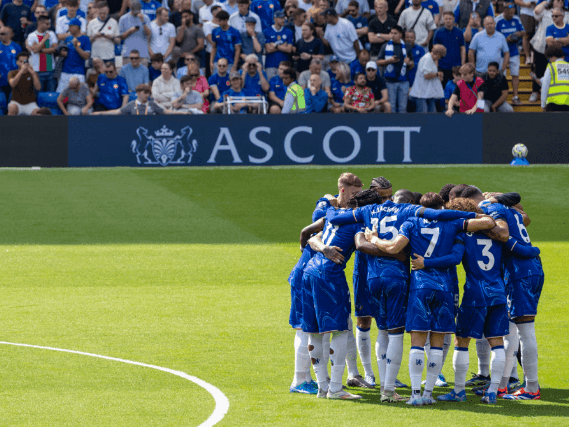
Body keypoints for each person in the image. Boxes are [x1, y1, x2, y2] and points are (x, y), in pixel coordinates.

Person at [365, 192, 495, 406]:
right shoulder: (452, 222)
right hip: (444, 288)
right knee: (436, 343)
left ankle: (415, 395)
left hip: (420, 287)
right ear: (441, 207)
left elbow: (393, 248)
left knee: (417, 343)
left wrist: (374, 239)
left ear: (420, 206)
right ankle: (428, 394)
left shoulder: (411, 222)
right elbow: (485, 224)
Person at [427, 198, 509, 404]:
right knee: (496, 342)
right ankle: (492, 392)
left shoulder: (462, 233)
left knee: (461, 341)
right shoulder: (495, 233)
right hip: (498, 291)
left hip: (475, 293)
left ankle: (458, 390)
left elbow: (453, 257)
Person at [302, 172, 365, 400]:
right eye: (356, 193)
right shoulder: (358, 219)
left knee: (315, 332)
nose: (358, 197)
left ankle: (322, 387)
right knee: (340, 330)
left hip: (310, 271)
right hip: (330, 274)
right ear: (343, 190)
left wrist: (322, 247)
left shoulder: (332, 213)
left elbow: (310, 237)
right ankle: (335, 388)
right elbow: (361, 243)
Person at [529, 0, 569, 103]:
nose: (560, 1)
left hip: (561, 49)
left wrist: (556, 41)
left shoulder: (567, 13)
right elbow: (537, 11)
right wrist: (546, 1)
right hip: (542, 45)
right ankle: (535, 91)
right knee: (539, 69)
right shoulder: (546, 11)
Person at [377, 25, 414, 113]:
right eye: (391, 33)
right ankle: (392, 126)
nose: (392, 35)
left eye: (395, 33)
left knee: (403, 107)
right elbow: (378, 62)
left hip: (404, 81)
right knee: (391, 106)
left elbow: (412, 65)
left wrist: (409, 63)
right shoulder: (385, 45)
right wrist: (389, 61)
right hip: (390, 81)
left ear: (401, 34)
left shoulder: (407, 46)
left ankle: (403, 126)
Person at [495, 2, 524, 105]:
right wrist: (506, 40)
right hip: (501, 53)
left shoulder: (516, 19)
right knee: (502, 75)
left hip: (514, 51)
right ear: (504, 10)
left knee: (515, 74)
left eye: (513, 13)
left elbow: (523, 32)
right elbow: (493, 38)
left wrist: (518, 34)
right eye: (510, 13)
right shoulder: (497, 20)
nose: (511, 15)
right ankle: (501, 97)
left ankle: (515, 97)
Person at [56, 18, 91, 92]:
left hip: (78, 72)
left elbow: (86, 56)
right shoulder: (68, 38)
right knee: (61, 95)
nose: (68, 29)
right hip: (65, 71)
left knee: (79, 95)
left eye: (70, 26)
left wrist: (76, 47)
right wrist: (62, 53)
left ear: (77, 27)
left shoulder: (85, 39)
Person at [409, 44, 446, 112]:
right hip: (421, 93)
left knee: (432, 112)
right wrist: (437, 74)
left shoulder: (432, 59)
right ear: (438, 54)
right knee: (423, 113)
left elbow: (432, 74)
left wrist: (438, 78)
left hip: (428, 92)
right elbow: (426, 75)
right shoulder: (426, 59)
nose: (440, 59)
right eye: (440, 56)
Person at [434, 11, 466, 87]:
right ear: (443, 20)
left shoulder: (459, 32)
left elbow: (463, 49)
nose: (448, 20)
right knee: (441, 89)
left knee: (457, 89)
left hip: (456, 67)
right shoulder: (438, 32)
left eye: (450, 18)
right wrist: (437, 68)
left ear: (454, 19)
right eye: (446, 19)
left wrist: (462, 64)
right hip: (442, 66)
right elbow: (435, 51)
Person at [26, 15, 57, 93]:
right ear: (40, 23)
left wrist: (40, 49)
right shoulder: (32, 35)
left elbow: (55, 49)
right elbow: (35, 50)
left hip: (51, 70)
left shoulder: (52, 34)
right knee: (39, 95)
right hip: (38, 70)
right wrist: (45, 39)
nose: (49, 26)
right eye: (47, 24)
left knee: (50, 95)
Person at [94, 83, 168, 114]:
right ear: (138, 93)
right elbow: (117, 112)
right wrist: (100, 113)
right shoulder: (131, 104)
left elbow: (165, 112)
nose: (147, 95)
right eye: (145, 92)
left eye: (148, 93)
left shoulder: (152, 104)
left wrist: (179, 113)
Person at [7, 51, 41, 115]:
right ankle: (9, 125)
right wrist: (21, 71)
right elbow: (12, 84)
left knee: (38, 113)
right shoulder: (12, 73)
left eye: (25, 61)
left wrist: (33, 74)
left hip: (30, 103)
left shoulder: (33, 73)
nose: (23, 63)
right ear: (17, 62)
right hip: (16, 102)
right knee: (12, 108)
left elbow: (38, 88)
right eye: (21, 61)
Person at [119, 0, 152, 65]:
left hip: (142, 54)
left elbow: (149, 34)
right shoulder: (123, 18)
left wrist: (143, 22)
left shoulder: (145, 18)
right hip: (128, 54)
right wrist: (130, 31)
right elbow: (121, 37)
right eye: (134, 11)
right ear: (130, 8)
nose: (136, 13)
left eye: (137, 10)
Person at [263, 10, 293, 80]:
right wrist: (283, 45)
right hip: (271, 64)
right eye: (280, 18)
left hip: (285, 65)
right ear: (274, 19)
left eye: (283, 18)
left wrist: (276, 45)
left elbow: (289, 49)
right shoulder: (267, 31)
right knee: (271, 85)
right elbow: (268, 49)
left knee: (284, 86)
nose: (283, 20)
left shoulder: (288, 32)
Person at [541, 45, 569, 110]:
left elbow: (545, 86)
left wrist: (543, 104)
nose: (550, 61)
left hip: (553, 103)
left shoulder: (551, 67)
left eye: (549, 58)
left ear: (553, 57)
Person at [0, 27, 21, 99]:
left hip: (14, 79)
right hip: (1, 79)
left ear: (9, 35)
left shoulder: (17, 47)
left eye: (2, 34)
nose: (0, 36)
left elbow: (21, 62)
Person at [516, 0, 537, 65]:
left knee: (536, 37)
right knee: (526, 35)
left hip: (539, 14)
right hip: (526, 13)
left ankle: (533, 58)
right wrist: (526, 5)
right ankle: (527, 57)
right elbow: (516, 1)